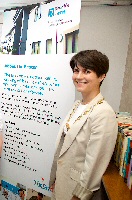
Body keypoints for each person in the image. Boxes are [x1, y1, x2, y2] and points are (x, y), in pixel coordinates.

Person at [49, 50, 118, 200]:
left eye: (87, 71)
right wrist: (55, 177)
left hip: (76, 192)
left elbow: (94, 163)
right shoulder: (77, 105)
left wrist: (80, 196)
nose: (79, 76)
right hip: (62, 183)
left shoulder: (104, 113)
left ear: (102, 76)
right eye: (76, 70)